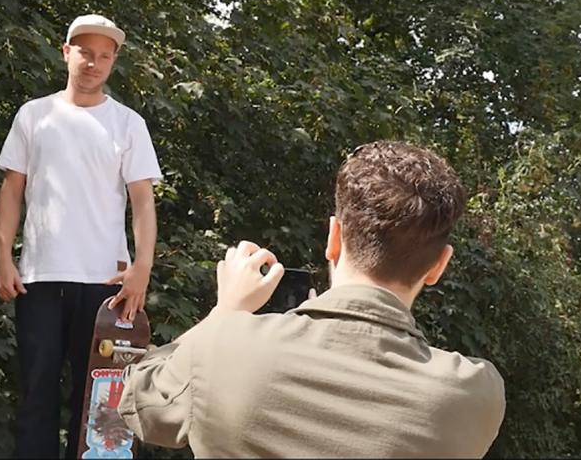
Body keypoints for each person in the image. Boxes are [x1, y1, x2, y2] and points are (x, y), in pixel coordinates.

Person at [112, 140, 505, 458]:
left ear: (333, 239)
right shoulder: (473, 393)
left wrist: (224, 313)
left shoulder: (223, 348)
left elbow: (138, 402)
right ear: (438, 265)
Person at [0, 13, 162, 458]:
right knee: (36, 392)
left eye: (105, 56)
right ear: (66, 52)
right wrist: (3, 257)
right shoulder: (35, 115)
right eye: (86, 52)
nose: (95, 63)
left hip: (108, 284)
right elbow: (12, 190)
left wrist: (141, 268)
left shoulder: (128, 123)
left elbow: (143, 201)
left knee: (102, 400)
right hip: (39, 276)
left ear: (113, 62)